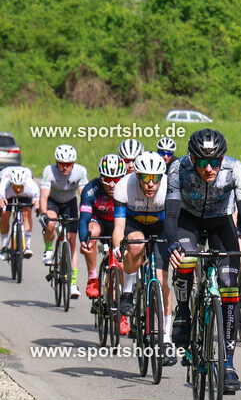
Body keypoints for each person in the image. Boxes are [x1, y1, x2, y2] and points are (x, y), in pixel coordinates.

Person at [166, 129, 241, 390]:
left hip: (220, 223)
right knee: (187, 258)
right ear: (192, 158)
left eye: (215, 161)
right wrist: (172, 244)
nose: (210, 168)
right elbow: (170, 215)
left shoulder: (235, 170)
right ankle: (182, 310)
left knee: (229, 285)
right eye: (202, 162)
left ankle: (228, 363)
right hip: (187, 220)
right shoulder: (178, 168)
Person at [111, 152, 171, 347]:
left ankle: (167, 338)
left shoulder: (170, 188)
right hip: (134, 224)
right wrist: (118, 247)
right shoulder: (123, 187)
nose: (151, 184)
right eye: (146, 178)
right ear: (138, 176)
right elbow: (119, 227)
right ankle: (128, 290)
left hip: (160, 227)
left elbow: (174, 223)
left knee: (162, 281)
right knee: (135, 245)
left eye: (156, 179)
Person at [39, 144, 89, 297]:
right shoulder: (50, 171)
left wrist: (88, 213)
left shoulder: (80, 171)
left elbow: (84, 194)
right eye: (61, 164)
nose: (65, 167)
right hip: (53, 202)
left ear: (73, 163)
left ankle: (73, 284)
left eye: (68, 164)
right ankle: (48, 249)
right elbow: (44, 195)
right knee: (51, 223)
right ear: (56, 162)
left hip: (70, 203)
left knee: (72, 240)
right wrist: (43, 213)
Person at [78, 154, 126, 299]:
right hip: (99, 221)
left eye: (116, 180)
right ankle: (92, 278)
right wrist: (84, 241)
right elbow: (84, 220)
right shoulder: (90, 190)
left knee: (123, 264)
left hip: (119, 224)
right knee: (91, 234)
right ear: (100, 177)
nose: (112, 185)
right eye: (108, 180)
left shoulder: (127, 189)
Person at [0, 167, 39, 259]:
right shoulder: (4, 186)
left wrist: (37, 205)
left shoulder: (31, 186)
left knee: (27, 212)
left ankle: (27, 246)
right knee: (5, 214)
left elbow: (38, 200)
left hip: (25, 192)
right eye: (15, 187)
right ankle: (4, 246)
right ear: (11, 184)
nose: (18, 190)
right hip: (7, 191)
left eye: (20, 187)